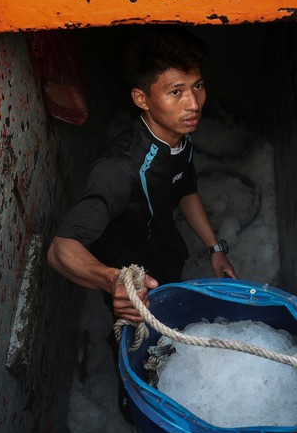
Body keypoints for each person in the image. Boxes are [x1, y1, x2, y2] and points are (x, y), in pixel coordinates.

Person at [47, 26, 237, 323]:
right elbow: (60, 249)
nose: (194, 104)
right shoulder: (118, 169)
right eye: (176, 92)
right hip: (133, 285)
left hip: (166, 257)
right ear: (141, 99)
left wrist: (214, 248)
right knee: (135, 343)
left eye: (197, 86)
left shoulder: (178, 134)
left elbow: (184, 186)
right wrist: (112, 281)